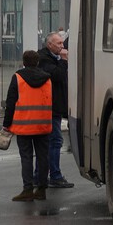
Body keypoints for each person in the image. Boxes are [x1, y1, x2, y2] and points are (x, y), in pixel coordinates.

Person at [2, 50, 53, 202]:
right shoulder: (47, 79)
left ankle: (27, 189)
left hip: (24, 126)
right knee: (43, 157)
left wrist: (6, 125)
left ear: (23, 62)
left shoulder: (18, 78)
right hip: (43, 125)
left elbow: (10, 102)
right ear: (37, 62)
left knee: (26, 157)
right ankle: (42, 189)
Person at [38, 31, 73, 188]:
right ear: (49, 44)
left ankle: (39, 176)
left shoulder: (54, 58)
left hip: (55, 107)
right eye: (58, 43)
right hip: (48, 108)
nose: (62, 46)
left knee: (49, 142)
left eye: (62, 42)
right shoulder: (44, 59)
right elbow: (58, 76)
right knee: (54, 140)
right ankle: (54, 175)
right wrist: (64, 60)